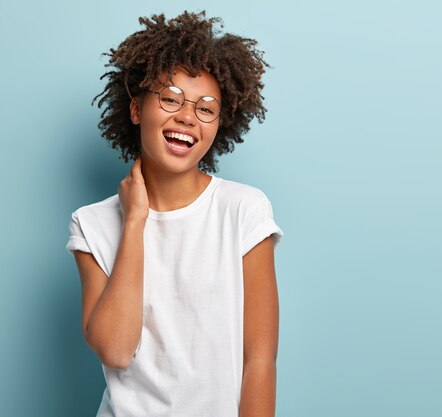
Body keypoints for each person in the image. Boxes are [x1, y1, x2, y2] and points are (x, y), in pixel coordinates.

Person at [65, 11, 283, 417]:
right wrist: (134, 221)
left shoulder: (244, 210)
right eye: (170, 99)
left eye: (206, 108)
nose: (186, 116)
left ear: (220, 124)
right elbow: (115, 349)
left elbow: (260, 360)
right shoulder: (91, 224)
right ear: (136, 110)